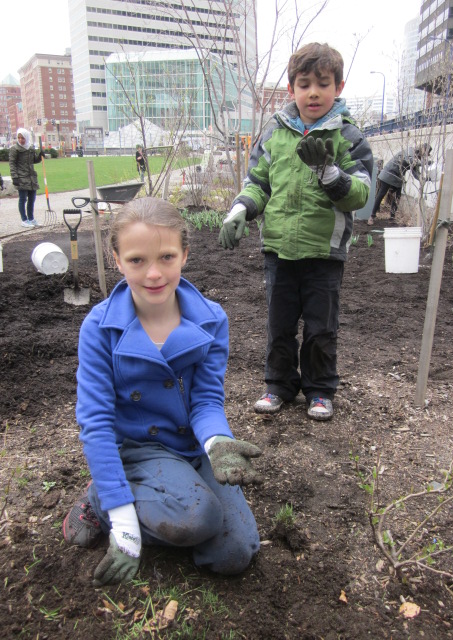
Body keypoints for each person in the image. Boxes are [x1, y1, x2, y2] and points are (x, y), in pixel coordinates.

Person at [62, 198, 262, 586]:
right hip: (138, 449)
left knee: (235, 553)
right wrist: (123, 523)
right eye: (137, 260)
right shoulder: (99, 329)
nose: (154, 273)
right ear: (117, 260)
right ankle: (103, 500)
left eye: (167, 257)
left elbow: (205, 400)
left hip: (191, 446)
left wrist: (218, 442)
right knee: (198, 517)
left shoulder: (211, 319)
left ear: (184, 255)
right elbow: (97, 424)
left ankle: (174, 498)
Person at [218, 42, 373, 421]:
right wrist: (241, 207)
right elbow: (259, 182)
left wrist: (330, 175)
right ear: (291, 90)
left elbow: (362, 194)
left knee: (322, 328)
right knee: (279, 325)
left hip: (324, 253)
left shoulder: (348, 137)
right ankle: (279, 385)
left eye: (323, 83)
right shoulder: (274, 133)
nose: (313, 92)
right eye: (304, 84)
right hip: (279, 252)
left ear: (338, 86)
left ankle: (319, 390)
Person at [367, 145, 432, 225]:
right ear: (423, 150)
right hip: (389, 173)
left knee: (397, 196)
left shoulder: (416, 159)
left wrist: (427, 178)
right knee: (381, 194)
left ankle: (392, 217)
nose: (424, 157)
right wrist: (425, 163)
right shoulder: (410, 151)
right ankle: (372, 216)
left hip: (398, 177)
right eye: (424, 155)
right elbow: (410, 161)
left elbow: (416, 174)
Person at [9, 128, 44, 228]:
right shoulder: (15, 149)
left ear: (26, 138)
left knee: (32, 199)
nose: (20, 140)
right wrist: (14, 177)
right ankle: (24, 219)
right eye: (19, 138)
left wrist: (40, 156)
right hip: (21, 177)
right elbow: (12, 164)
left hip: (31, 178)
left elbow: (33, 161)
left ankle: (31, 218)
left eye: (22, 138)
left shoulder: (30, 148)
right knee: (23, 199)